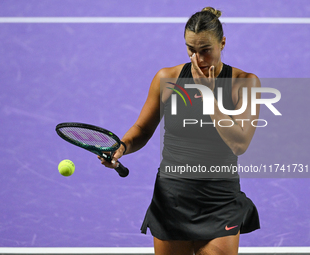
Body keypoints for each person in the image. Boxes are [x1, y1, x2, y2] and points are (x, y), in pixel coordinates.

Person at [99, 7, 260, 255]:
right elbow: (142, 128)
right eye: (191, 49)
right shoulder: (167, 79)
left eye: (205, 50)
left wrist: (207, 94)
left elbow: (240, 143)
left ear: (223, 43)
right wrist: (121, 147)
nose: (198, 59)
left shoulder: (245, 83)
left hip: (219, 199)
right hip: (172, 198)